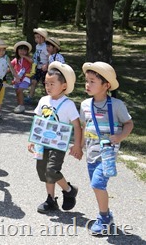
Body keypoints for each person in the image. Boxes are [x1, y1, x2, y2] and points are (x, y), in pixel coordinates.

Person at [80, 62, 133, 235]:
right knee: (96, 185)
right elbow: (83, 126)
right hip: (91, 154)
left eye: (92, 81)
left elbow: (128, 123)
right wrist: (79, 145)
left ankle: (103, 217)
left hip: (108, 154)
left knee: (97, 183)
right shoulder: (85, 105)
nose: (88, 85)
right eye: (86, 81)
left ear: (106, 85)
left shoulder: (117, 105)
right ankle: (107, 215)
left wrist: (120, 137)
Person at [27, 61, 82, 214]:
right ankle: (50, 199)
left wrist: (77, 145)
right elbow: (37, 120)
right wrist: (31, 139)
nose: (48, 86)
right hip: (41, 143)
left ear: (64, 86)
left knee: (52, 170)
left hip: (58, 144)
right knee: (43, 170)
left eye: (52, 83)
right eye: (46, 83)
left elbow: (77, 126)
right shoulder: (43, 100)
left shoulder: (68, 104)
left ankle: (69, 190)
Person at [26, 28, 50, 104]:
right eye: (35, 37)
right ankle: (30, 96)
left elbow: (49, 56)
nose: (36, 39)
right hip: (38, 67)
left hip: (44, 68)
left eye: (38, 37)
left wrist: (47, 64)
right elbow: (36, 55)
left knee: (45, 83)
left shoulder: (45, 47)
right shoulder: (37, 46)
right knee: (34, 81)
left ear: (43, 37)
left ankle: (49, 98)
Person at [12, 41, 34, 114]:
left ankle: (21, 105)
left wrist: (25, 57)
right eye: (20, 50)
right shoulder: (16, 60)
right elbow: (10, 65)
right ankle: (19, 104)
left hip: (25, 78)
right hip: (17, 78)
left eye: (24, 50)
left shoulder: (27, 58)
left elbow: (32, 62)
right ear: (17, 51)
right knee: (17, 91)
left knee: (20, 90)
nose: (22, 52)